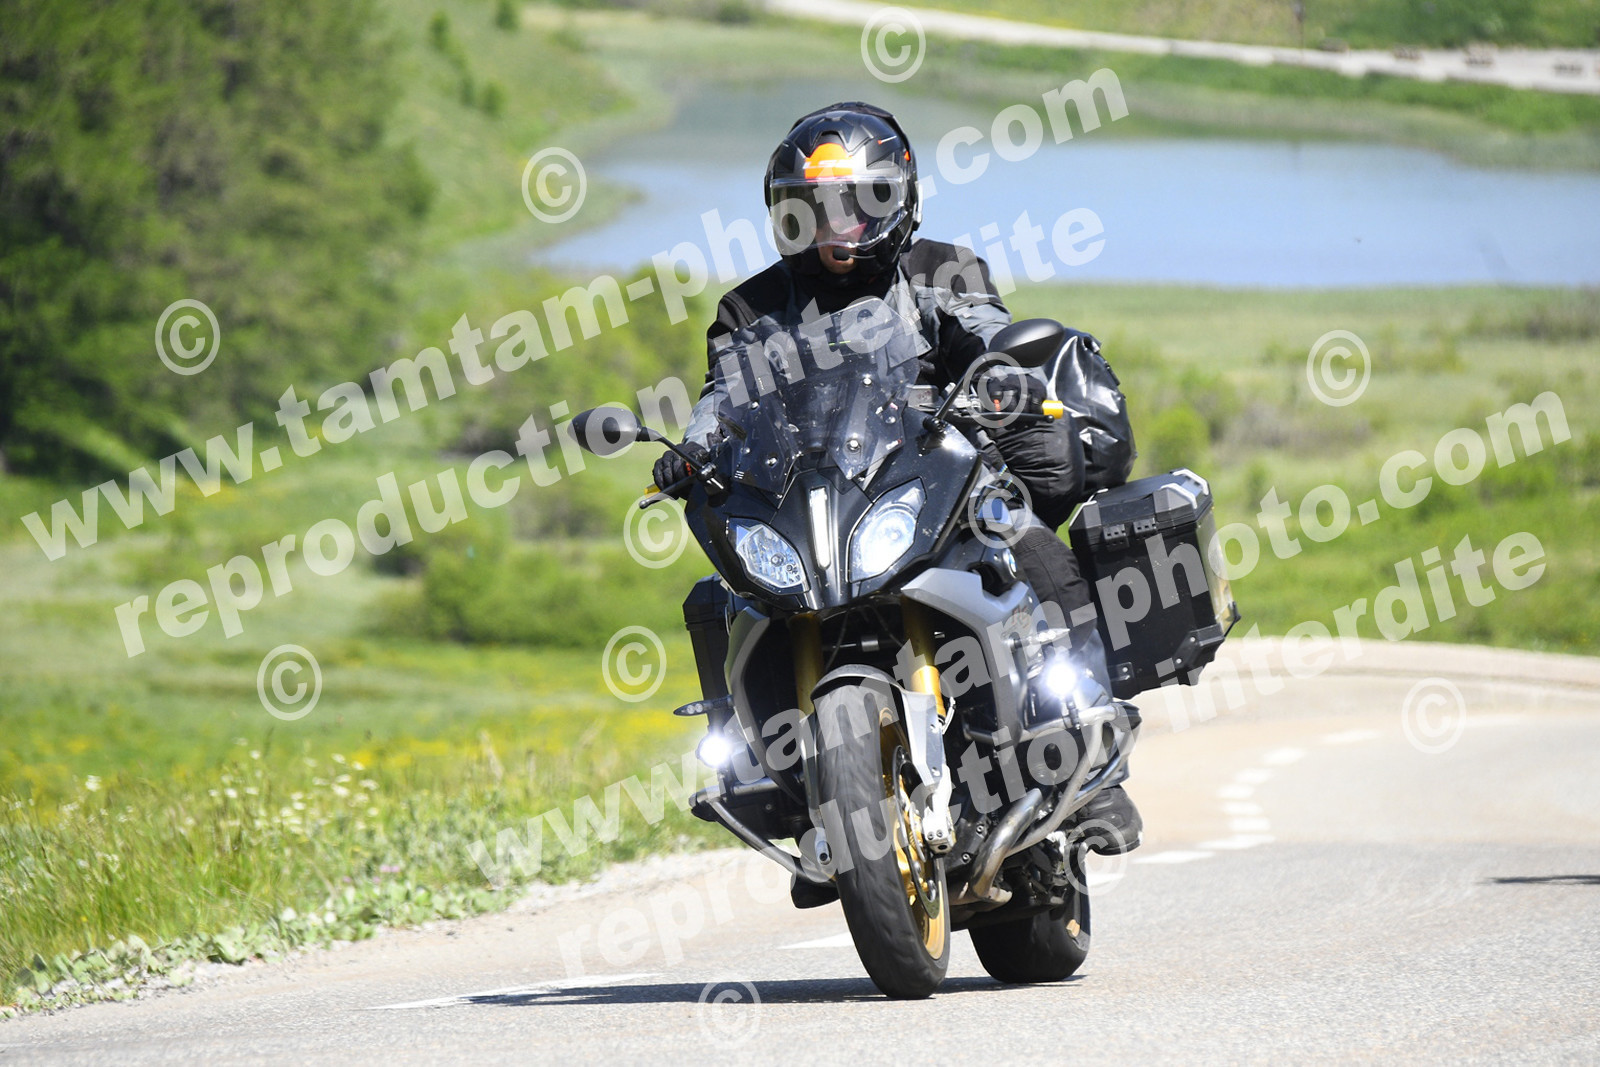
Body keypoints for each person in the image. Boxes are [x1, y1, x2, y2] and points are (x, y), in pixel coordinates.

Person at [653, 101, 1141, 853]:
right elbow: (723, 396)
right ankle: (762, 771)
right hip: (818, 500)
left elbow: (982, 331)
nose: (836, 227)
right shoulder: (749, 309)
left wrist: (1000, 374)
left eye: (856, 205)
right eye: (813, 210)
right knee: (727, 600)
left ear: (895, 200)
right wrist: (691, 449)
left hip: (934, 478)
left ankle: (1091, 756)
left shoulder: (940, 268)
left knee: (1027, 543)